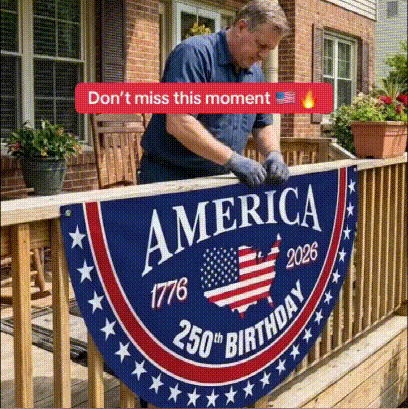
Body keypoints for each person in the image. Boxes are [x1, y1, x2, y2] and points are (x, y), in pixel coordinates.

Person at [139, 0, 291, 187]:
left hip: (218, 181)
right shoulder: (194, 54)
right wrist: (233, 159)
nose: (263, 55)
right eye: (261, 45)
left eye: (270, 49)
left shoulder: (255, 74)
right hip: (170, 178)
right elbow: (178, 122)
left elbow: (262, 124)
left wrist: (273, 153)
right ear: (241, 27)